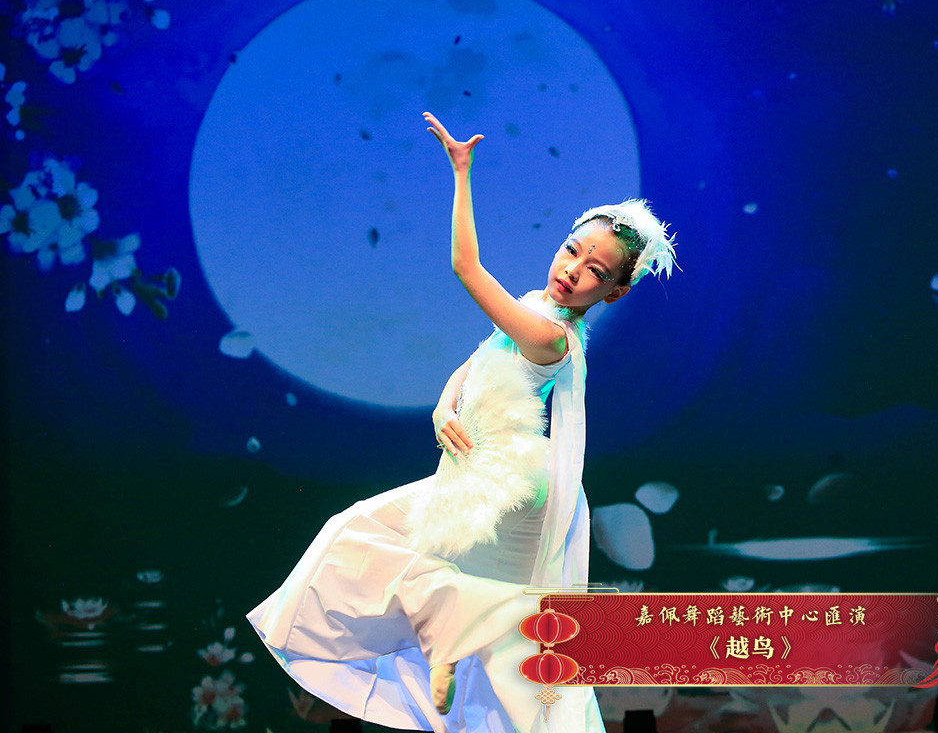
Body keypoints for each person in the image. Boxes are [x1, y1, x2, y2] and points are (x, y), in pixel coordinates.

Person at [246, 112, 676, 732]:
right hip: (478, 464)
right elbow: (475, 362)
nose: (573, 269)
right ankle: (448, 643)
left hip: (505, 480)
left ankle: (449, 638)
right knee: (390, 547)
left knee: (375, 542)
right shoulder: (535, 308)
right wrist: (443, 406)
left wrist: (461, 173)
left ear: (612, 292)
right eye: (572, 250)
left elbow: (465, 268)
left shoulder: (550, 337)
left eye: (595, 272)